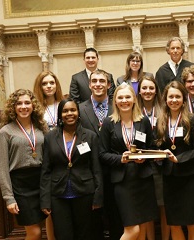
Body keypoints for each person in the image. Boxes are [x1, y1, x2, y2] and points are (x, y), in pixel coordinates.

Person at [99, 83, 158, 240]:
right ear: (115, 101)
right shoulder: (108, 123)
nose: (124, 100)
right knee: (132, 230)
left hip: (143, 179)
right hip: (122, 182)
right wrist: (120, 159)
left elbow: (151, 147)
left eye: (127, 97)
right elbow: (102, 154)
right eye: (120, 97)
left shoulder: (143, 121)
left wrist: (142, 157)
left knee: (143, 228)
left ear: (134, 99)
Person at [40, 98, 103, 240]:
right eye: (65, 111)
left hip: (85, 193)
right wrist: (45, 200)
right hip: (58, 194)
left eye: (73, 110)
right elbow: (46, 171)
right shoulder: (50, 137)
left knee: (85, 234)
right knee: (63, 235)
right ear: (60, 114)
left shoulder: (90, 136)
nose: (70, 113)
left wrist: (98, 196)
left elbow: (96, 168)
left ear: (78, 112)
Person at [156, 81, 194, 240]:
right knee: (174, 222)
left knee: (192, 222)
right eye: (171, 97)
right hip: (169, 178)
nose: (174, 100)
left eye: (178, 97)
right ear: (165, 99)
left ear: (184, 99)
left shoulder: (192, 120)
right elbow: (157, 146)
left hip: (189, 178)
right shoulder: (161, 121)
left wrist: (179, 159)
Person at [0, 89, 48, 240]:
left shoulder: (41, 128)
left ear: (33, 106)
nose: (23, 106)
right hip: (21, 185)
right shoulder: (5, 132)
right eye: (19, 103)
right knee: (35, 233)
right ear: (13, 107)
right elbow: (3, 167)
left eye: (27, 102)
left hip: (41, 182)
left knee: (40, 229)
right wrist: (9, 198)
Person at [78, 69, 116, 240]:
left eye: (102, 81)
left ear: (108, 85)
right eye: (95, 81)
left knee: (116, 215)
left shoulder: (118, 105)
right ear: (89, 84)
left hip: (115, 169)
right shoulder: (80, 109)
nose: (98, 84)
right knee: (93, 218)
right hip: (90, 170)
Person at [137, 76, 170, 240]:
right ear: (139, 90)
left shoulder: (164, 109)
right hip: (142, 166)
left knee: (164, 208)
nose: (148, 91)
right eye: (144, 88)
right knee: (147, 209)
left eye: (151, 88)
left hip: (162, 166)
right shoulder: (134, 111)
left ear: (156, 90)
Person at [33, 71, 64, 240]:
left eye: (52, 83)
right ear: (40, 87)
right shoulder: (35, 108)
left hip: (62, 155)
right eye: (45, 84)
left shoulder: (63, 104)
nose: (49, 86)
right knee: (49, 208)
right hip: (44, 157)